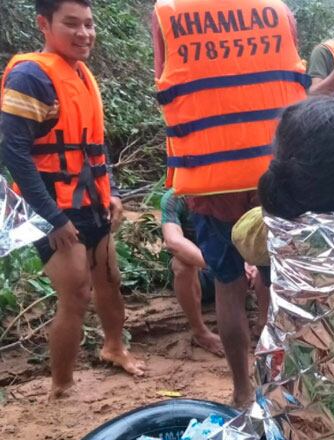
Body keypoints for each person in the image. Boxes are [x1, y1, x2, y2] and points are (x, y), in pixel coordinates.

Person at [151, 0, 308, 407]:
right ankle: (281, 385)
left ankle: (241, 391)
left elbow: (163, 89)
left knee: (228, 285)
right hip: (272, 175)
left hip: (212, 178)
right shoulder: (280, 12)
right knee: (275, 284)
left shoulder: (167, 14)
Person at [0, 0, 146, 398]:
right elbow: (13, 153)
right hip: (51, 204)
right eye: (72, 24)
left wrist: (112, 190)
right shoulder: (31, 76)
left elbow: (92, 143)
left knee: (109, 280)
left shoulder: (80, 73)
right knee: (77, 294)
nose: (84, 33)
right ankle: (61, 385)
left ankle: (114, 347)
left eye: (89, 24)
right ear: (44, 24)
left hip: (91, 199)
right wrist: (53, 217)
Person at [160, 189, 223, 356]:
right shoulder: (175, 198)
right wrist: (214, 264)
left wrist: (249, 261)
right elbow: (173, 242)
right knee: (181, 264)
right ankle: (200, 332)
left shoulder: (230, 190)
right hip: (204, 272)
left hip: (233, 271)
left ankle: (262, 324)